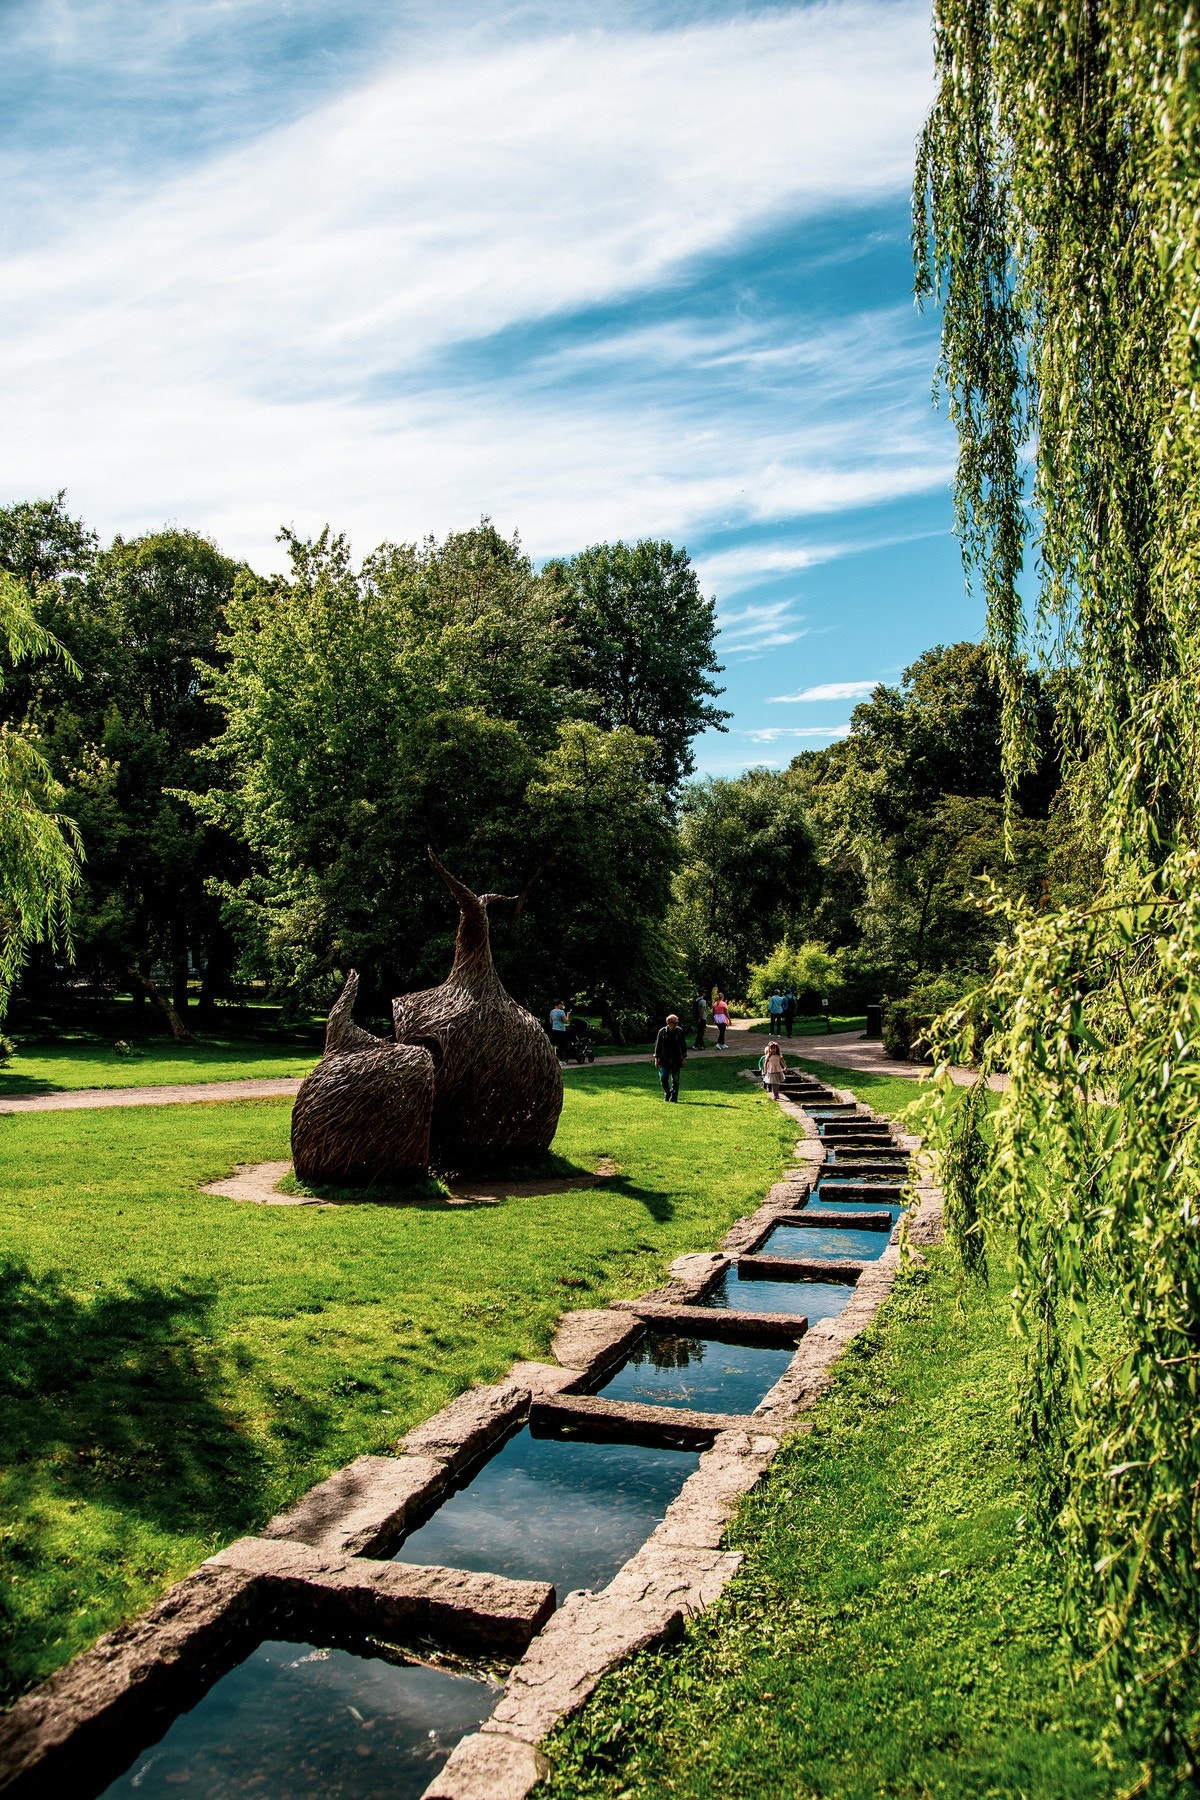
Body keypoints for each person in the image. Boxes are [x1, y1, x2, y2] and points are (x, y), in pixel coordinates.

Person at [654, 1011, 688, 1102]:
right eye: (675, 1022)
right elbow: (658, 1046)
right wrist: (656, 1059)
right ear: (669, 1023)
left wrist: (684, 1058)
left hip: (676, 1059)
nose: (677, 1024)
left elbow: (683, 1045)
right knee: (663, 1078)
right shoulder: (662, 1032)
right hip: (664, 1059)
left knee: (675, 1080)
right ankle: (667, 1092)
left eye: (677, 1022)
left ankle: (674, 1097)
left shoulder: (679, 1031)